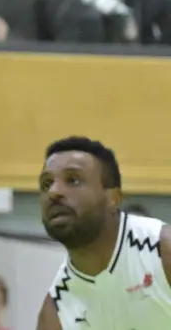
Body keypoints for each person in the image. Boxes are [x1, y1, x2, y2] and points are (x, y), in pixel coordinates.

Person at [37, 136, 171, 329]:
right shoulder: (55, 313)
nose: (54, 191)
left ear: (113, 199)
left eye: (73, 180)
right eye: (46, 184)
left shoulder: (162, 249)